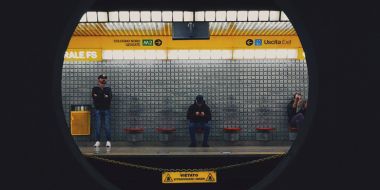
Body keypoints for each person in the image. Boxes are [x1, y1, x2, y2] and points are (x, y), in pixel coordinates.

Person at [92, 74, 112, 148]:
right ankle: (97, 141)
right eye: (102, 79)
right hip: (98, 109)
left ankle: (108, 141)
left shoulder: (108, 89)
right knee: (98, 125)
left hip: (106, 109)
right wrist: (104, 96)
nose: (104, 80)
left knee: (107, 125)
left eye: (105, 79)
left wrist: (100, 96)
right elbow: (95, 99)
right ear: (98, 80)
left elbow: (109, 99)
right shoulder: (95, 89)